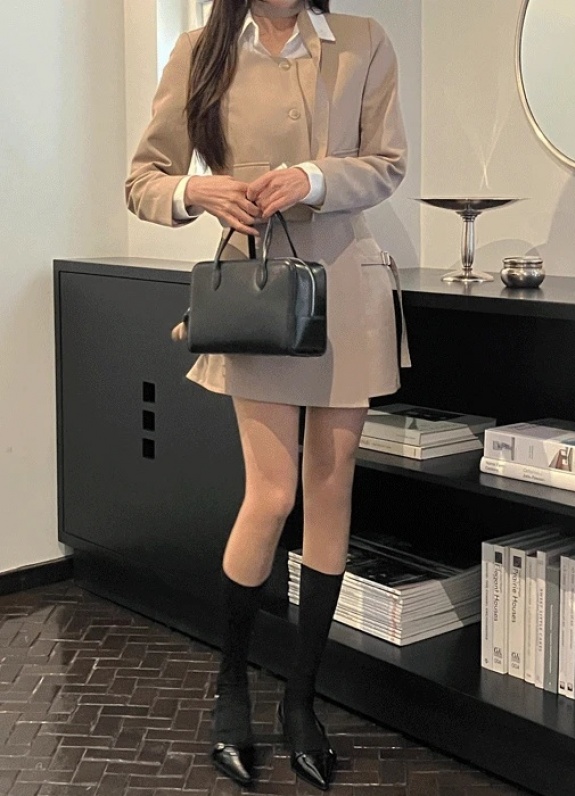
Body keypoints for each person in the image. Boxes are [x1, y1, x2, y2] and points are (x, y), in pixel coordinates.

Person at [126, 0, 408, 789]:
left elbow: (388, 163)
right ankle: (232, 689)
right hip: (257, 294)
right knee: (273, 493)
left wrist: (312, 178)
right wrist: (198, 192)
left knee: (331, 487)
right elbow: (143, 181)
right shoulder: (200, 50)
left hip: (346, 287)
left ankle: (301, 701)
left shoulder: (363, 40)